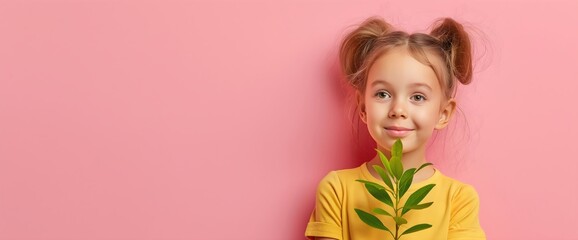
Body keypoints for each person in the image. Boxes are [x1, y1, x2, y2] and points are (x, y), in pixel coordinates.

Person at [305, 16, 486, 240]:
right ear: (363, 107)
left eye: (418, 97)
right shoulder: (337, 190)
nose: (398, 109)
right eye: (383, 94)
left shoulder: (458, 199)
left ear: (443, 113)